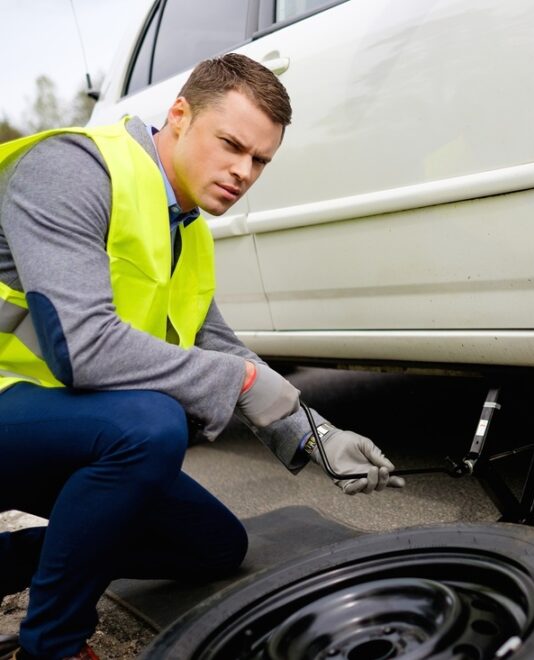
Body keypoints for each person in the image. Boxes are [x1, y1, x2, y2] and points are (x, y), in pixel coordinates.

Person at [0, 53, 404, 660]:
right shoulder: (71, 168)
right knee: (149, 426)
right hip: (18, 409)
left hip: (62, 424)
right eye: (232, 146)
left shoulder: (181, 224)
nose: (243, 172)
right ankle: (52, 646)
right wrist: (239, 382)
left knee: (211, 546)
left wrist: (318, 437)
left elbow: (214, 343)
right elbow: (82, 348)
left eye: (260, 160)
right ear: (181, 115)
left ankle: (17, 561)